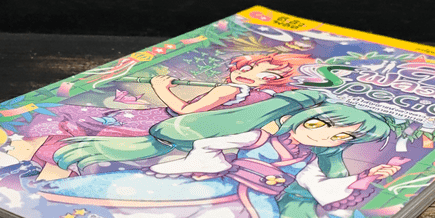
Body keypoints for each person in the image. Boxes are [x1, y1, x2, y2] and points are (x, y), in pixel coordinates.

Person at [37, 90, 400, 218]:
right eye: (319, 125)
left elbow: (317, 185)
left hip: (256, 204)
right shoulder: (258, 137)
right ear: (304, 118)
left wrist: (363, 179)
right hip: (216, 185)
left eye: (340, 136)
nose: (324, 136)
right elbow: (208, 143)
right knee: (150, 205)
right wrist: (211, 164)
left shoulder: (310, 161)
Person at [19, 52, 315, 180]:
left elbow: (186, 110)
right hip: (167, 124)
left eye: (256, 71)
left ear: (272, 79)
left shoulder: (230, 90)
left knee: (72, 120)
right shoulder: (261, 98)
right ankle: (53, 169)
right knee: (81, 125)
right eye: (246, 67)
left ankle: (50, 166)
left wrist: (161, 89)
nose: (244, 71)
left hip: (162, 121)